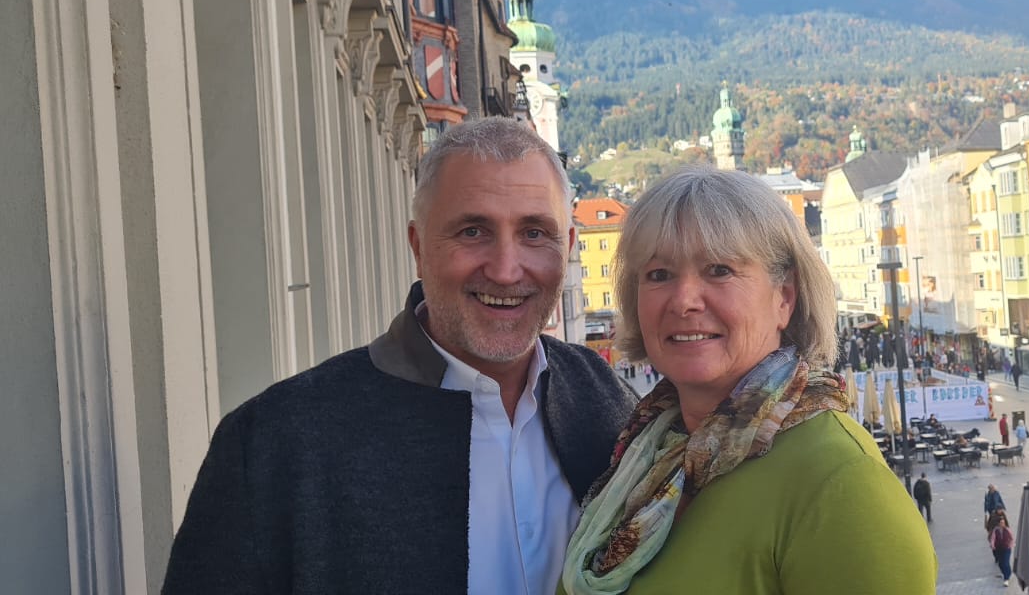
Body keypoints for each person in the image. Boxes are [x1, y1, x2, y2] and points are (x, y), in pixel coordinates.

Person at [162, 119, 638, 593]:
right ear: (418, 247)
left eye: (534, 233)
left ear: (567, 248)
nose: (506, 270)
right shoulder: (274, 444)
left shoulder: (607, 403)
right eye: (473, 231)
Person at [559, 167, 935, 594]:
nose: (684, 301)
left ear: (784, 298)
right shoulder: (646, 450)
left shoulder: (842, 484)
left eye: (719, 270)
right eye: (659, 274)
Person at [989, 511, 1015, 586]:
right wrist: (992, 545)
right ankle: (1006, 573)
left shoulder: (1007, 529)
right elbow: (993, 538)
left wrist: (1011, 545)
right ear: (998, 523)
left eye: (1003, 522)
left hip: (1006, 548)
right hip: (998, 549)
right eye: (1001, 523)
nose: (1003, 524)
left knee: (1006, 562)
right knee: (1001, 563)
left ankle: (1006, 578)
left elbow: (1012, 538)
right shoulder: (996, 530)